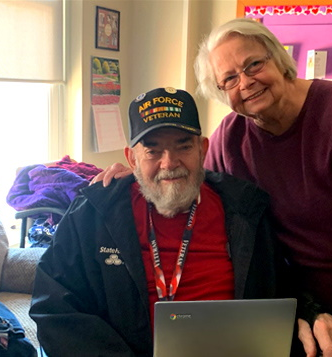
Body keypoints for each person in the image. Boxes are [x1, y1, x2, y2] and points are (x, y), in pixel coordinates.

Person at [94, 19, 332, 357]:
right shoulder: (230, 138)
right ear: (221, 92)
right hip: (310, 289)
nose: (246, 82)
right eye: (229, 78)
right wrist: (141, 173)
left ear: (278, 60)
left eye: (254, 64)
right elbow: (196, 184)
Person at [29, 87, 287, 356]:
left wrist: (311, 316)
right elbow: (54, 310)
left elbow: (282, 287)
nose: (169, 163)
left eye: (183, 146)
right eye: (152, 151)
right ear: (132, 159)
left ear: (203, 149)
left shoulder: (246, 208)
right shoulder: (93, 212)